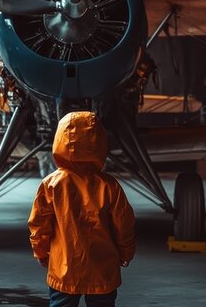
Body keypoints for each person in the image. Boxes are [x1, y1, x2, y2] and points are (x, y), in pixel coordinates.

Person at [28, 111, 136, 307]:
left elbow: (39, 224)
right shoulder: (110, 185)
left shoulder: (51, 184)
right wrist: (126, 253)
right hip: (102, 269)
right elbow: (124, 224)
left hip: (64, 268)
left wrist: (41, 252)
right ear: (99, 143)